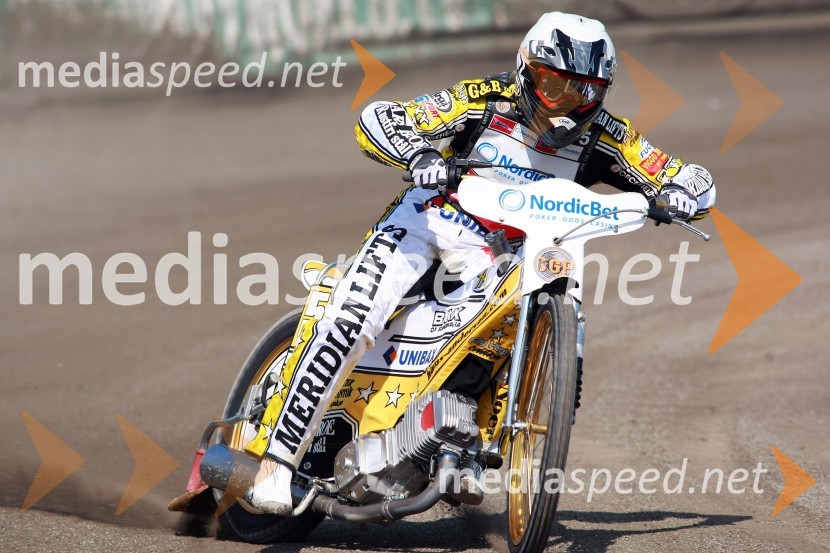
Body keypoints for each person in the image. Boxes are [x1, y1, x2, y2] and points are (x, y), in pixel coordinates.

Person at [248, 11, 716, 514]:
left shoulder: (609, 137)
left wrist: (680, 195)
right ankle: (276, 461)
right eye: (553, 86)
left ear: (602, 93)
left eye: (583, 93)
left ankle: (457, 442)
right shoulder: (481, 99)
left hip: (510, 255)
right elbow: (379, 118)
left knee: (511, 315)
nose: (564, 107)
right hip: (429, 224)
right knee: (353, 315)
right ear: (527, 69)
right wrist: (417, 155)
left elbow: (693, 177)